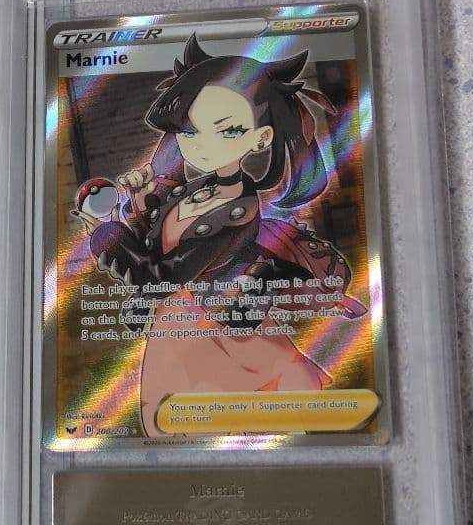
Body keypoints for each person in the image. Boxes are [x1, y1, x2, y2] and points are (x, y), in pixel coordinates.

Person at [72, 34, 365, 437]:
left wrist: (105, 235)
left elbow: (158, 278)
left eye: (227, 131)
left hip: (218, 334)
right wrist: (141, 203)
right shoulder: (193, 191)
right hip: (176, 332)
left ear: (261, 138)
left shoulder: (236, 211)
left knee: (234, 430)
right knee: (180, 432)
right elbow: (153, 247)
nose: (201, 144)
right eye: (190, 131)